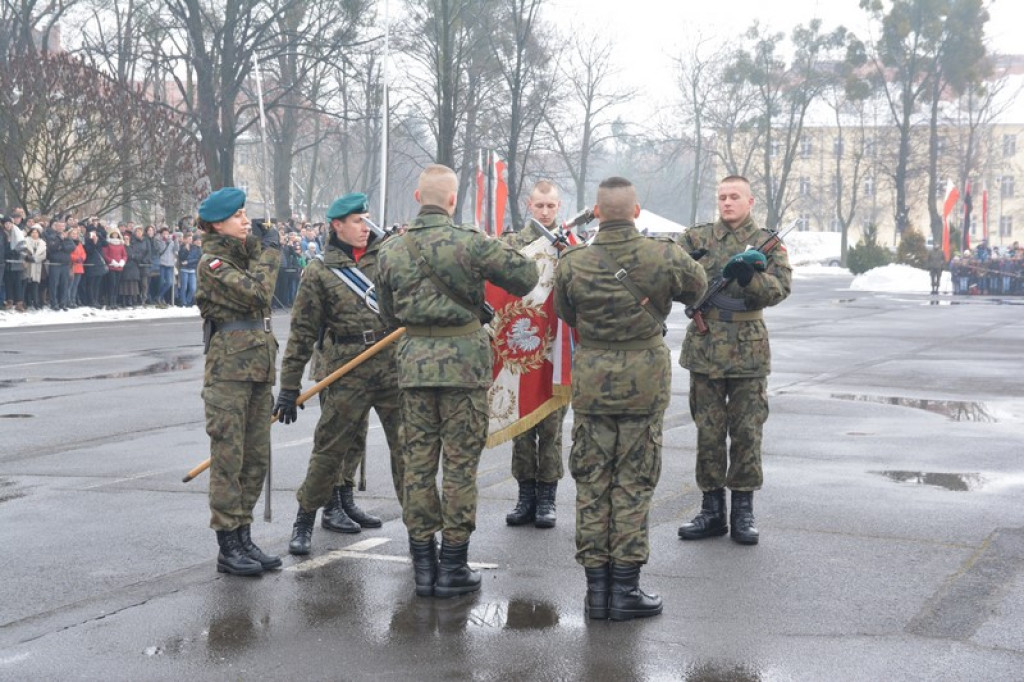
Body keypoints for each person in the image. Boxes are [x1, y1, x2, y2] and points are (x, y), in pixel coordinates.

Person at [375, 164, 539, 598]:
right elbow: (526, 277)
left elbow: (387, 314)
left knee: (417, 465)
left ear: (417, 198)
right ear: (452, 200)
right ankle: (452, 566)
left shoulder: (391, 250)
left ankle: (422, 566)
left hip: (414, 366)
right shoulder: (470, 242)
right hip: (464, 367)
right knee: (460, 466)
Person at [553, 176, 706, 621]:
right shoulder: (664, 254)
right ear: (636, 212)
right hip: (644, 381)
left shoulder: (574, 262)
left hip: (593, 381)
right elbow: (698, 290)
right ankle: (625, 590)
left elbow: (566, 313)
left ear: (597, 213)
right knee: (634, 483)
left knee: (592, 482)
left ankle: (596, 592)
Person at [275, 192, 406, 556]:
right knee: (329, 450)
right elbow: (302, 332)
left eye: (367, 219)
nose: (366, 227)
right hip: (347, 368)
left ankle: (422, 533)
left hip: (392, 365)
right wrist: (289, 386)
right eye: (357, 221)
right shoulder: (320, 271)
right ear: (337, 226)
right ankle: (304, 520)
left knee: (408, 451)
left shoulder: (389, 258)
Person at [677, 175, 792, 546]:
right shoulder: (696, 238)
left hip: (747, 349)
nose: (727, 203)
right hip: (706, 346)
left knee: (746, 433)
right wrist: (686, 271)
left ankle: (743, 512)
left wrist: (750, 280)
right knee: (708, 432)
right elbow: (667, 276)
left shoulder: (765, 242)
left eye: (735, 197)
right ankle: (711, 511)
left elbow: (780, 289)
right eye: (723, 196)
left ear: (750, 201)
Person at [195, 187, 282, 576]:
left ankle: (244, 535)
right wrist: (271, 251)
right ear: (217, 224)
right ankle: (228, 543)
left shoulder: (242, 256)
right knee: (229, 460)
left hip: (257, 370)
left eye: (246, 214)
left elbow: (257, 273)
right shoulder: (212, 264)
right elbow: (258, 292)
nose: (246, 220)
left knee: (255, 457)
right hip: (229, 373)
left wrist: (258, 242)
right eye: (238, 216)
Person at [503, 180, 569, 529]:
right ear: (530, 205)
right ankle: (525, 495)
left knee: (552, 428)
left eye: (551, 206)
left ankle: (547, 497)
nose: (545, 212)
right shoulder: (514, 245)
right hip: (521, 345)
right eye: (540, 205)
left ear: (559, 207)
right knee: (522, 426)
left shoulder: (569, 245)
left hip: (555, 348)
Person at [22, 226, 47, 309]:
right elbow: (22, 252)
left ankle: (36, 302)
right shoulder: (26, 241)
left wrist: (35, 259)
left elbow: (44, 255)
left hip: (37, 266)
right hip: (27, 266)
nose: (34, 234)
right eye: (33, 232)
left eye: (36, 232)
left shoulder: (42, 243)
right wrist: (27, 257)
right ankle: (25, 302)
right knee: (26, 284)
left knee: (35, 285)